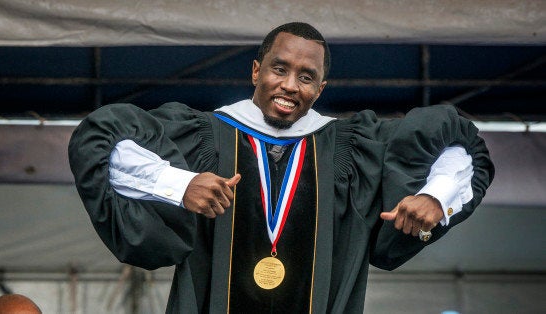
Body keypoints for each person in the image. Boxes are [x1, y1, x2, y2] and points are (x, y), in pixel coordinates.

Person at [68, 22, 494, 313]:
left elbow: (457, 141)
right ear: (256, 70)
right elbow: (101, 142)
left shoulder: (353, 147)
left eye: (306, 77)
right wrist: (179, 184)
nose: (291, 85)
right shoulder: (203, 136)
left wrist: (435, 195)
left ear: (320, 87)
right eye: (280, 68)